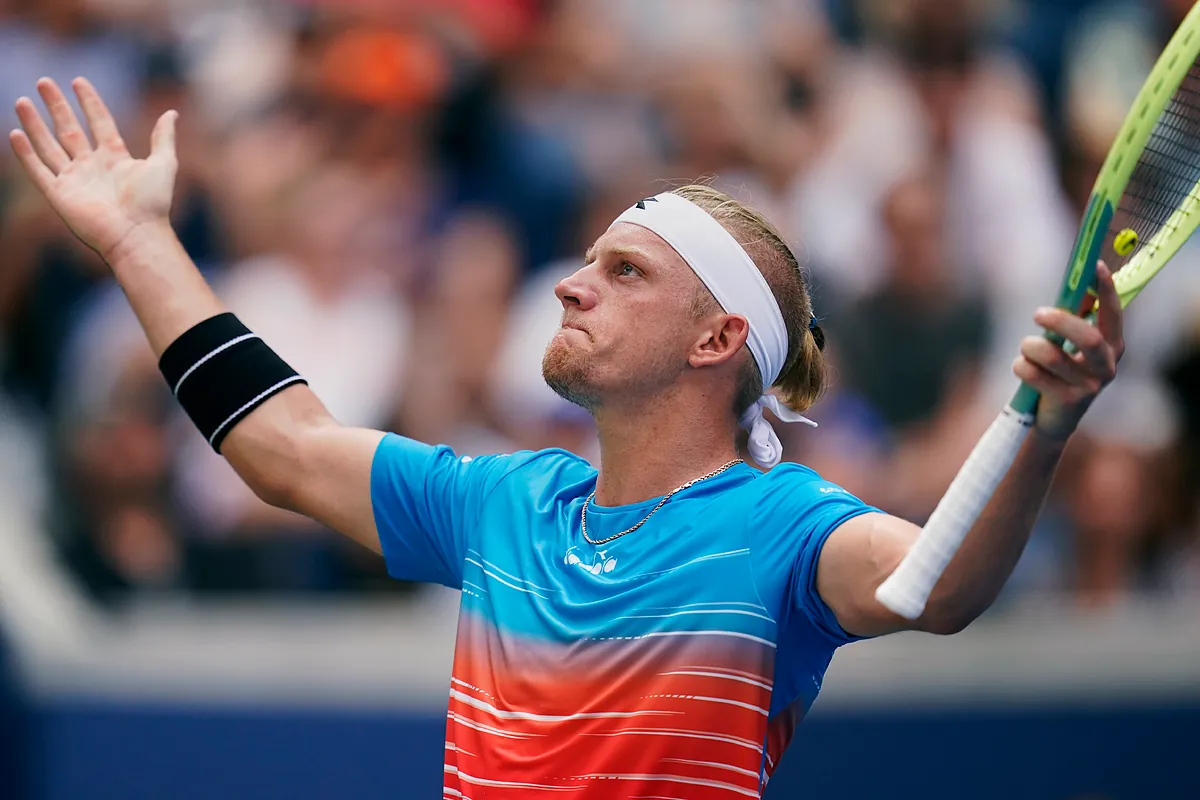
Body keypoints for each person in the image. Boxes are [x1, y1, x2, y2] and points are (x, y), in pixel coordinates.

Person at [8, 77, 1125, 797]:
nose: (569, 287)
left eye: (621, 272)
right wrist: (138, 238)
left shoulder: (784, 526)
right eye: (585, 260)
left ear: (714, 337)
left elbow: (938, 586)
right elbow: (283, 447)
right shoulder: (502, 501)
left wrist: (1044, 427)